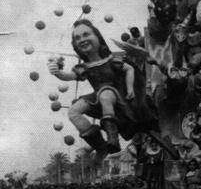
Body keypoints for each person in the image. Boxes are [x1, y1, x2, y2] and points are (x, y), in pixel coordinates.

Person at [47, 19, 156, 158]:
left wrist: (130, 89)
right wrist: (57, 72)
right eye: (77, 38)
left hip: (116, 94)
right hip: (98, 96)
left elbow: (129, 69)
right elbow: (69, 76)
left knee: (105, 94)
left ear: (98, 37)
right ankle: (100, 147)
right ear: (75, 45)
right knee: (73, 112)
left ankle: (113, 138)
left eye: (86, 34)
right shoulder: (85, 67)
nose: (82, 39)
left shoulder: (111, 60)